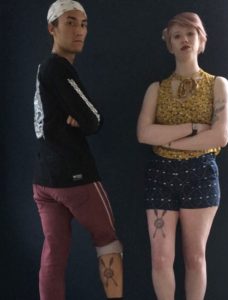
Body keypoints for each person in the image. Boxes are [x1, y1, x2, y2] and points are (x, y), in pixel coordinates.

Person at [137, 12, 228, 300]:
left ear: (201, 40)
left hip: (201, 174)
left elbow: (220, 137)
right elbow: (143, 134)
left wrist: (167, 139)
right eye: (177, 35)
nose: (184, 40)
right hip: (160, 176)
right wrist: (192, 129)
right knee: (160, 260)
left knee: (195, 258)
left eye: (190, 33)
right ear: (169, 44)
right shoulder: (157, 88)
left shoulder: (218, 84)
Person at [32, 1, 123, 299]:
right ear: (52, 29)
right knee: (107, 239)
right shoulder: (58, 68)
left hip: (44, 180)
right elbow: (93, 119)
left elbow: (81, 117)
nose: (79, 30)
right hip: (75, 176)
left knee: (54, 252)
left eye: (83, 24)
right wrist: (84, 118)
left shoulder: (46, 70)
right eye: (70, 22)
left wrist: (81, 117)